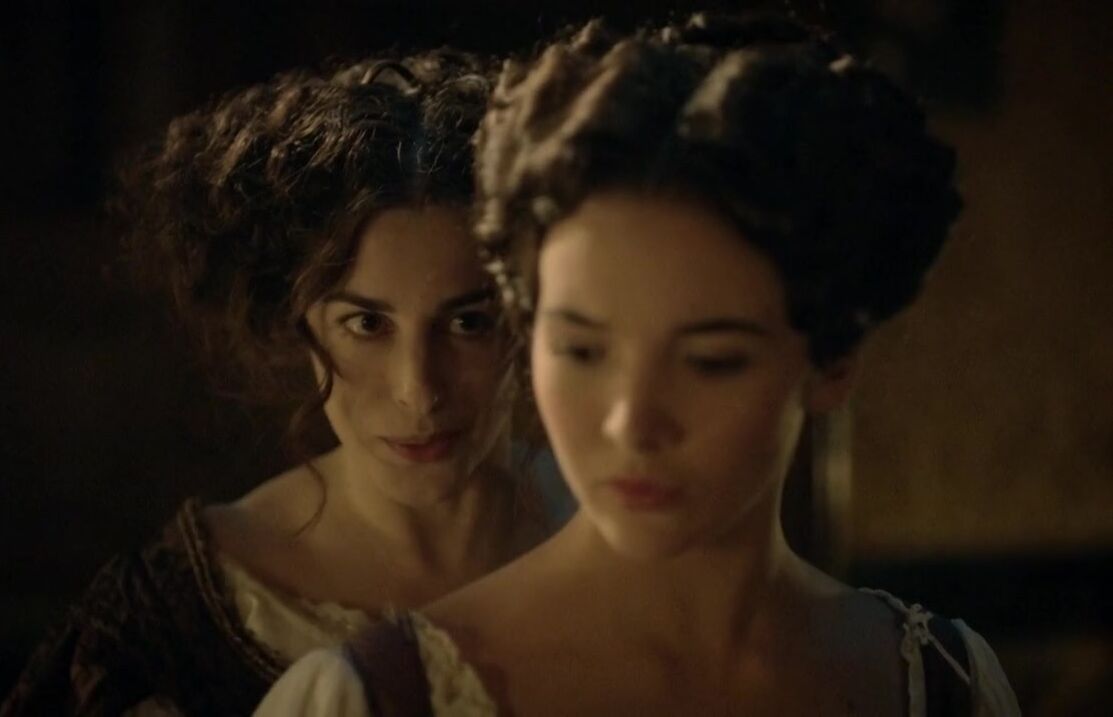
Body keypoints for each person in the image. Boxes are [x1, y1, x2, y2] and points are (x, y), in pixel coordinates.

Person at [256, 12, 1022, 717]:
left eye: (710, 361)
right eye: (582, 350)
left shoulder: (936, 681)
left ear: (831, 362)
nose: (631, 422)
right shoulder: (368, 699)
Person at [1, 48, 552, 717]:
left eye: (468, 322)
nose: (418, 389)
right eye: (366, 323)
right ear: (299, 315)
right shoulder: (171, 627)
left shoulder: (624, 530)